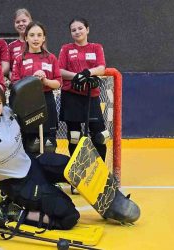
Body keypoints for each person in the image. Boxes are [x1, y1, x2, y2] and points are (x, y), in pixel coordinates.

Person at [0, 82, 80, 230]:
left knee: (74, 166)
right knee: (69, 217)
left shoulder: (6, 113)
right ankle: (13, 212)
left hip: (31, 163)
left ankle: (110, 205)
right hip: (17, 183)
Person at [58, 18, 109, 160]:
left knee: (100, 135)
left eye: (80, 28)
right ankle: (78, 172)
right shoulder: (66, 49)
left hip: (91, 96)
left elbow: (101, 68)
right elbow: (60, 70)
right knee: (74, 136)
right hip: (71, 96)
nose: (77, 32)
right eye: (73, 30)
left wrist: (87, 74)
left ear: (87, 29)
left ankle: (100, 173)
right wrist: (77, 76)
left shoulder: (96, 47)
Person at [11, 21, 61, 154]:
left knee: (49, 145)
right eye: (32, 35)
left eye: (39, 35)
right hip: (28, 104)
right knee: (32, 144)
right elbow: (15, 84)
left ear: (44, 38)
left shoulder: (51, 58)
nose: (36, 38)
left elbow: (58, 83)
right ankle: (33, 173)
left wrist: (45, 81)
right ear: (26, 37)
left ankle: (48, 173)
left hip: (47, 100)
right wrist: (31, 82)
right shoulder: (19, 59)